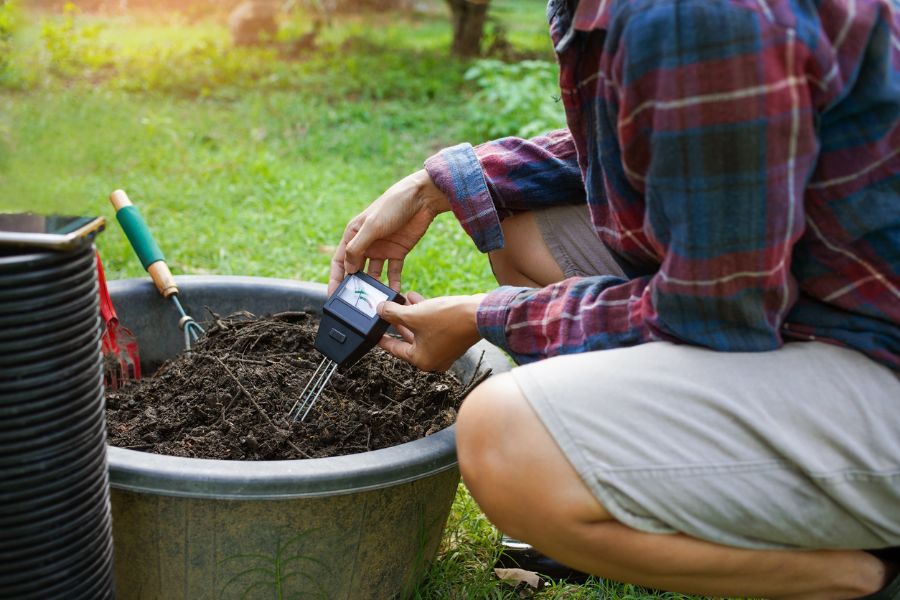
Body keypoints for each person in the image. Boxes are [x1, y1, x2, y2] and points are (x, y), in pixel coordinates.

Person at [327, 0, 900, 597]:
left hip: (873, 355)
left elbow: (717, 311)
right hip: (819, 300)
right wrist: (439, 185)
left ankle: (860, 571)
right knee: (525, 233)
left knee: (504, 440)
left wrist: (484, 314)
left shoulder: (695, 16)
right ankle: (657, 483)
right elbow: (663, 134)